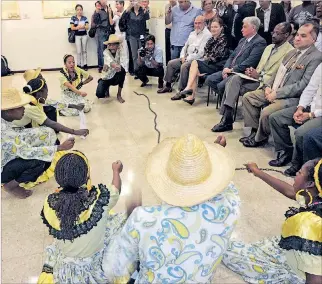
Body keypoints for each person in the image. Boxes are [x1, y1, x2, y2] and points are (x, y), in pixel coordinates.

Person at [103, 134, 240, 283]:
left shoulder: (143, 218)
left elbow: (114, 268)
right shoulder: (231, 206)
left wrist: (130, 221)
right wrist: (212, 158)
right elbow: (225, 188)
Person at [38, 152, 138, 283]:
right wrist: (116, 171)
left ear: (57, 177)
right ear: (86, 176)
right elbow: (115, 189)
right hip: (94, 263)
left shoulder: (49, 202)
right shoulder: (99, 199)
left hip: (66, 266)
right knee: (122, 221)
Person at [223, 158, 322, 284]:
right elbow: (291, 191)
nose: (296, 173)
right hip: (298, 258)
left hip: (301, 274)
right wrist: (257, 172)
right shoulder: (315, 196)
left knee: (230, 253)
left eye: (300, 173)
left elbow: (315, 279)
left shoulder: (310, 225)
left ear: (310, 184)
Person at [241, 23, 322, 148]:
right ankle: (255, 131)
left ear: (313, 39)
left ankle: (260, 138)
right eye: (297, 35)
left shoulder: (316, 57)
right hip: (274, 89)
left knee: (267, 112)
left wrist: (277, 94)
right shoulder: (292, 52)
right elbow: (277, 73)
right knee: (248, 97)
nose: (297, 38)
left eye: (303, 36)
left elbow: (303, 85)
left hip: (292, 97)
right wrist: (267, 86)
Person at [212, 22, 293, 132]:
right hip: (256, 79)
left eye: (278, 33)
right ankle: (227, 118)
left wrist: (259, 75)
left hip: (268, 84)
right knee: (234, 79)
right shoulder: (269, 47)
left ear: (286, 35)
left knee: (232, 86)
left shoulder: (290, 52)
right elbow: (260, 66)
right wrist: (251, 72)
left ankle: (228, 120)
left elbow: (278, 75)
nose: (273, 35)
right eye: (273, 32)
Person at [1, 88, 75, 199]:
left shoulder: (4, 119)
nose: (24, 110)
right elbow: (27, 152)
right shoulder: (4, 132)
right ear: (8, 111)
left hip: (10, 148)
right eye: (20, 107)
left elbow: (17, 136)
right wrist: (59, 147)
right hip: (3, 167)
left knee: (46, 132)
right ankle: (10, 185)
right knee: (39, 160)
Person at [268, 63, 322, 174]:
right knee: (276, 118)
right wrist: (300, 108)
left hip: (319, 114)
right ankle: (286, 152)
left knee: (301, 133)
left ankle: (299, 165)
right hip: (310, 106)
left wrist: (312, 115)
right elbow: (311, 88)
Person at [205, 17, 266, 100]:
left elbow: (250, 62)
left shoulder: (260, 42)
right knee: (210, 80)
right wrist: (226, 68)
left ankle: (226, 100)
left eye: (244, 27)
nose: (241, 29)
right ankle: (225, 97)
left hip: (241, 73)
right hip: (230, 70)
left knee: (221, 85)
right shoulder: (242, 40)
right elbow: (232, 56)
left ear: (253, 28)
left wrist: (232, 70)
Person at [12, 78, 89, 139]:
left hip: (18, 125)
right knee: (48, 133)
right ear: (40, 93)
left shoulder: (31, 97)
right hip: (13, 132)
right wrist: (75, 132)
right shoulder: (31, 107)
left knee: (50, 108)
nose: (47, 94)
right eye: (46, 92)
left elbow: (55, 103)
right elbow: (51, 123)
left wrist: (75, 106)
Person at [177, 18, 230, 105]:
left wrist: (208, 56)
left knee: (195, 64)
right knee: (194, 64)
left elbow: (216, 57)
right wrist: (208, 56)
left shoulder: (223, 40)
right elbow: (206, 53)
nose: (213, 29)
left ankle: (189, 90)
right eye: (212, 27)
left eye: (216, 27)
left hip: (218, 67)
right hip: (209, 64)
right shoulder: (211, 39)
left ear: (221, 28)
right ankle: (190, 94)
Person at [158, 15, 211, 95]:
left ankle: (182, 90)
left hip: (198, 61)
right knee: (171, 63)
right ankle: (168, 86)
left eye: (199, 23)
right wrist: (182, 56)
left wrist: (187, 59)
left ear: (204, 23)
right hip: (186, 57)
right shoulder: (192, 33)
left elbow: (201, 53)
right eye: (195, 23)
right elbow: (185, 46)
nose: (197, 25)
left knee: (184, 66)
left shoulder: (207, 35)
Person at [120, 0, 150, 76]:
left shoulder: (142, 11)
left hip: (141, 35)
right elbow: (123, 18)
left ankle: (142, 72)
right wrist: (129, 7)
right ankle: (136, 72)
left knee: (142, 54)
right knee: (134, 55)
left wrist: (144, 8)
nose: (136, 3)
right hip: (132, 36)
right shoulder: (129, 11)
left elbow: (147, 17)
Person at [96, 35, 127, 103]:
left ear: (117, 45)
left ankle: (119, 94)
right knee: (99, 94)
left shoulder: (121, 50)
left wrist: (120, 66)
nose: (112, 47)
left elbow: (124, 60)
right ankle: (106, 88)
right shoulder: (105, 52)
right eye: (110, 45)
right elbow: (109, 61)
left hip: (117, 75)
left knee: (123, 71)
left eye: (114, 45)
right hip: (107, 77)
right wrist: (115, 65)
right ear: (108, 46)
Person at [94, 0, 114, 73]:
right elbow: (95, 21)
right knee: (101, 50)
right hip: (101, 32)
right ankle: (101, 66)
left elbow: (111, 21)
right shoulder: (98, 10)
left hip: (109, 32)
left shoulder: (109, 9)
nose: (103, 1)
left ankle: (108, 65)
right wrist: (96, 12)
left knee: (108, 50)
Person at [108, 0, 129, 72]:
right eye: (116, 4)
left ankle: (125, 68)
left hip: (123, 34)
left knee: (125, 51)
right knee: (118, 51)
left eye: (117, 4)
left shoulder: (126, 12)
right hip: (117, 34)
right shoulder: (116, 13)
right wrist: (110, 13)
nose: (116, 6)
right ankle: (119, 66)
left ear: (122, 4)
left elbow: (126, 20)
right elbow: (111, 23)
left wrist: (120, 15)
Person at [70, 4, 89, 70]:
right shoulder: (73, 18)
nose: (79, 11)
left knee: (84, 51)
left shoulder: (85, 18)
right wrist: (77, 27)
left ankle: (85, 64)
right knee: (78, 51)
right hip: (77, 36)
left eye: (80, 10)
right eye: (78, 10)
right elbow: (72, 28)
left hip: (84, 35)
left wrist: (83, 26)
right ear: (76, 10)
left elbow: (87, 27)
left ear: (82, 10)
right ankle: (78, 65)